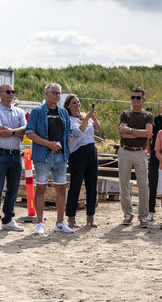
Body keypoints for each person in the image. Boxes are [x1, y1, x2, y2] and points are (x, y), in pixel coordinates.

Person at [25, 83, 73, 234]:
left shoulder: (64, 112)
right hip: (43, 156)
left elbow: (69, 133)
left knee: (61, 188)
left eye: (59, 93)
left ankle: (60, 223)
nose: (57, 96)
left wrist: (67, 150)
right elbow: (30, 132)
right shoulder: (38, 111)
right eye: (55, 93)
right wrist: (49, 144)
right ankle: (40, 223)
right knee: (41, 188)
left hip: (60, 156)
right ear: (46, 94)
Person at [0, 84, 27, 233]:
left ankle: (8, 219)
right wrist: (17, 132)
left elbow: (27, 130)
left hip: (16, 154)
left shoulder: (19, 111)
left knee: (13, 189)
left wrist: (11, 131)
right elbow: (0, 132)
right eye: (8, 92)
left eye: (13, 92)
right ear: (0, 94)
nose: (11, 94)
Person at [117, 87, 153, 228]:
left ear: (143, 100)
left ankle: (143, 216)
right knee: (124, 184)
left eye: (138, 98)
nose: (135, 100)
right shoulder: (125, 114)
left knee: (143, 185)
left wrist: (130, 130)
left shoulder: (148, 116)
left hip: (140, 152)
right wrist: (140, 133)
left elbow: (148, 134)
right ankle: (127, 213)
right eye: (133, 97)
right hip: (125, 151)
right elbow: (122, 134)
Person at [64, 94, 101, 228]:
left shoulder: (85, 117)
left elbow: (98, 129)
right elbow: (78, 132)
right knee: (76, 185)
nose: (77, 105)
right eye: (74, 103)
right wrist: (86, 118)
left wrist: (93, 118)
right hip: (78, 153)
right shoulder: (68, 119)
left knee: (92, 184)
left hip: (91, 150)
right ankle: (71, 217)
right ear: (68, 106)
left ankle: (90, 217)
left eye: (78, 102)